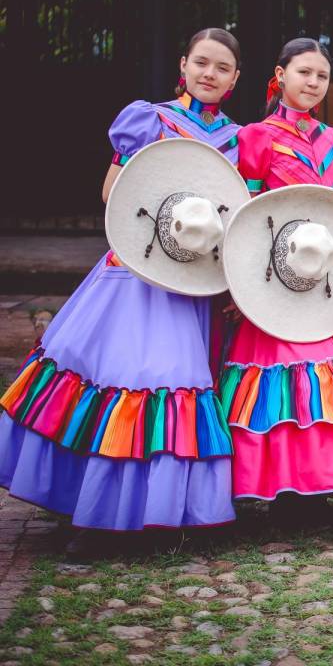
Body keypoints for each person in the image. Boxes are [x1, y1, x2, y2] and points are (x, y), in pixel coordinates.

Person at [0, 28, 244, 535]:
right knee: (127, 376)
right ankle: (98, 507)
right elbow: (113, 191)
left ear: (235, 79)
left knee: (174, 382)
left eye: (221, 68)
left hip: (192, 279)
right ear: (183, 64)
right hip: (136, 270)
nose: (209, 74)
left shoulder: (236, 140)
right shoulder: (150, 120)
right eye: (202, 63)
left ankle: (159, 507)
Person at [218, 38, 333, 504]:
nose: (313, 83)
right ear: (280, 75)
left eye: (321, 76)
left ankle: (325, 484)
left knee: (328, 368)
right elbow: (245, 213)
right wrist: (241, 284)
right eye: (304, 73)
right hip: (270, 274)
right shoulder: (256, 136)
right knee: (281, 370)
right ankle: (274, 487)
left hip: (319, 273)